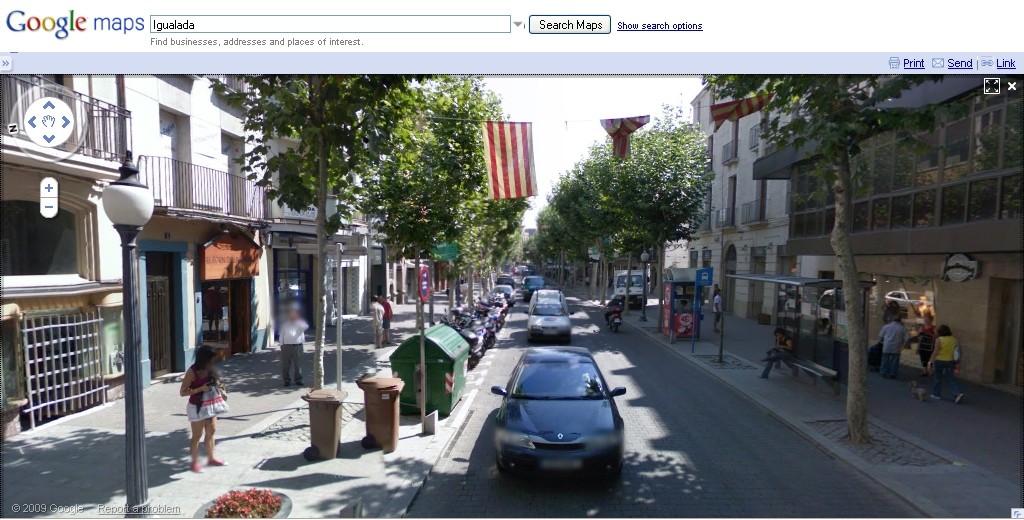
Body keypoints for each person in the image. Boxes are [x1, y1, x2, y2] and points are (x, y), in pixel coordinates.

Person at [180, 345, 227, 473]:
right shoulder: (192, 371)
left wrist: (221, 389)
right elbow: (183, 392)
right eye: (211, 359)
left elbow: (218, 384)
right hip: (197, 406)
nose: (213, 361)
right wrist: (200, 389)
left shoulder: (210, 369)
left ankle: (211, 458)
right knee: (197, 435)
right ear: (204, 358)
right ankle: (194, 463)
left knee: (211, 431)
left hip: (211, 404)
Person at [928, 325, 964, 403]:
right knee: (950, 379)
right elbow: (957, 352)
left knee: (938, 378)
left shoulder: (939, 340)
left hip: (939, 360)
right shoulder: (954, 340)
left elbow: (935, 352)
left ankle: (936, 394)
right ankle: (956, 393)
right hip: (950, 361)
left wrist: (930, 363)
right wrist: (957, 363)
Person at [278, 308, 308, 387]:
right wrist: (281, 345)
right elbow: (281, 335)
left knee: (298, 365)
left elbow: (305, 327)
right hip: (286, 347)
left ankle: (299, 380)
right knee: (286, 365)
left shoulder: (300, 323)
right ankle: (286, 380)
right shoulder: (285, 324)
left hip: (298, 346)